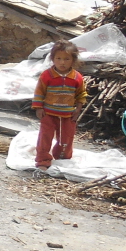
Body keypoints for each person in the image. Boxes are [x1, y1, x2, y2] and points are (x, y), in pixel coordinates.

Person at [31, 41, 87, 169]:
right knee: (45, 138)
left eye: (67, 59)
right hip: (49, 114)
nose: (62, 62)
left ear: (73, 60)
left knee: (66, 140)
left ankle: (63, 159)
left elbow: (81, 95)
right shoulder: (47, 75)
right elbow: (39, 92)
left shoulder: (77, 78)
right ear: (53, 59)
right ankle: (43, 160)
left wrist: (77, 110)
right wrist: (38, 107)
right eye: (59, 58)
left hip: (68, 116)